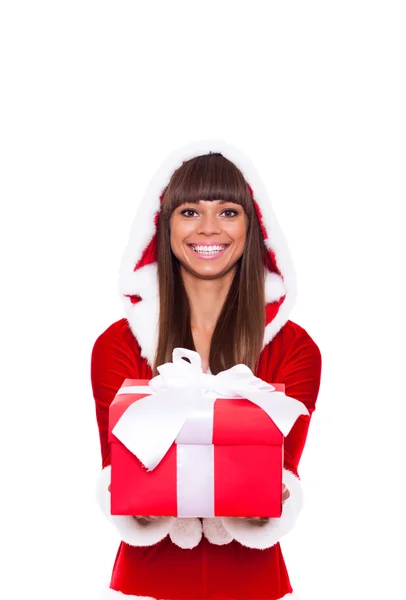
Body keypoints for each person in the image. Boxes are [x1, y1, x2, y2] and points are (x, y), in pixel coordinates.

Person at [91, 139, 322, 599]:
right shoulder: (118, 345)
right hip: (148, 580)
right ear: (164, 224)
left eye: (229, 211)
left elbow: (281, 478)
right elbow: (120, 474)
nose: (210, 228)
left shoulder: (295, 349)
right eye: (190, 212)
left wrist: (267, 501)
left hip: (251, 581)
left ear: (254, 227)